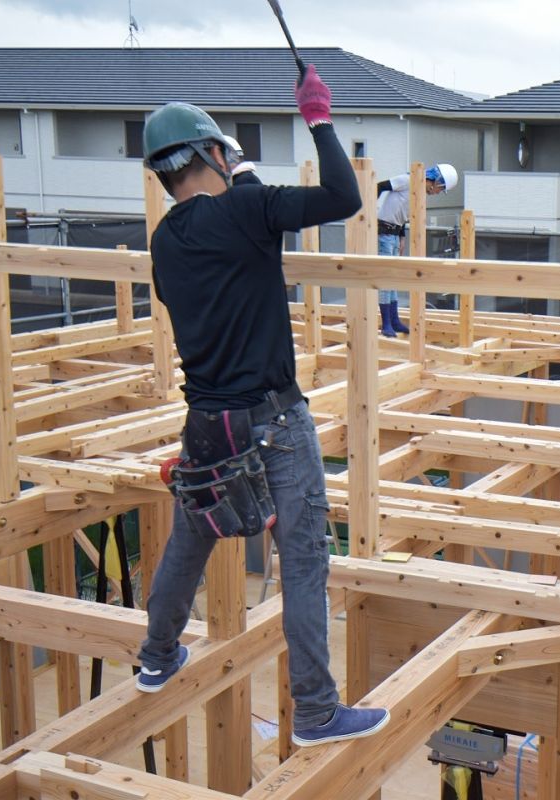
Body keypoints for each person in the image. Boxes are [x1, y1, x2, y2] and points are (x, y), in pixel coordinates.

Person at [136, 64, 390, 747]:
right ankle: (315, 710)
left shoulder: (165, 240)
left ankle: (157, 656)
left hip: (207, 420)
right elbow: (343, 197)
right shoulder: (246, 212)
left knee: (190, 541)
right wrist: (318, 117)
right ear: (215, 154)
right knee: (304, 557)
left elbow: (209, 258)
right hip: (275, 420)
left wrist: (239, 178)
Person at [375, 163, 458, 336]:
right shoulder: (407, 180)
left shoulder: (419, 194)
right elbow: (380, 186)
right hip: (383, 231)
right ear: (436, 181)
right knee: (386, 279)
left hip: (394, 232)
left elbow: (402, 214)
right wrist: (368, 211)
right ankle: (386, 323)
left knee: (394, 279)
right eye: (440, 189)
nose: (437, 193)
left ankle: (394, 320)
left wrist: (402, 236)